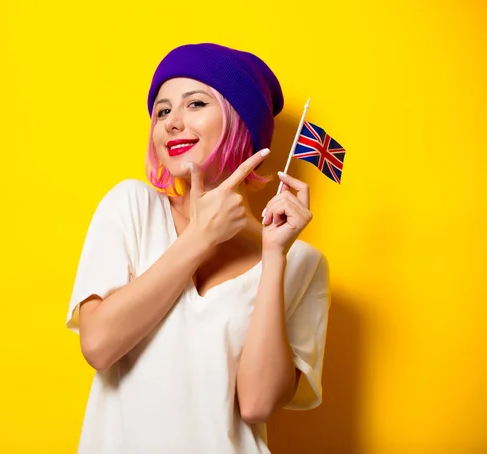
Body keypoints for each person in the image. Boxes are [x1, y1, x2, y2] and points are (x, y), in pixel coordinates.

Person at [65, 43, 331, 454]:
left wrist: (274, 256)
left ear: (242, 122)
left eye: (196, 104)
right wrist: (199, 238)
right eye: (163, 111)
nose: (172, 123)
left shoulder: (301, 261)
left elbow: (258, 404)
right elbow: (98, 345)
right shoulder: (131, 206)